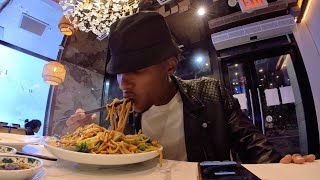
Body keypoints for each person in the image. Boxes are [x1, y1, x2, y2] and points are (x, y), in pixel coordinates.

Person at [66, 11, 282, 163]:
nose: (123, 83)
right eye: (120, 72)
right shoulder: (125, 114)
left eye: (137, 70)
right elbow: (109, 156)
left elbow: (254, 147)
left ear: (169, 66)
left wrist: (281, 166)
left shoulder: (210, 93)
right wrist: (85, 136)